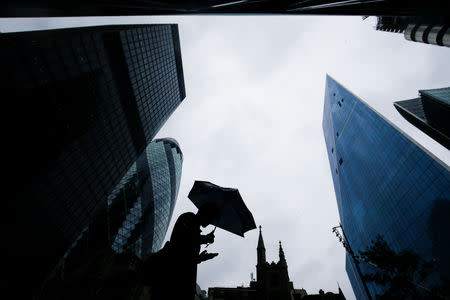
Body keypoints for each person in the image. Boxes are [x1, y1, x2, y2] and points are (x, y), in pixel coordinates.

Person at [144, 202, 221, 300]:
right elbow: (180, 244)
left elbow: (185, 259)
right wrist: (204, 239)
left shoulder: (194, 227)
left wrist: (200, 258)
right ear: (204, 213)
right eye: (211, 218)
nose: (210, 222)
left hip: (180, 283)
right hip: (170, 281)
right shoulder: (188, 218)